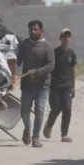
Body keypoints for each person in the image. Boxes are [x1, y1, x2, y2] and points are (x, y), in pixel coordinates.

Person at [17, 20, 55, 148]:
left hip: (42, 86)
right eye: (30, 29)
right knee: (24, 111)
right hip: (27, 85)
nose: (32, 32)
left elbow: (51, 65)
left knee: (39, 110)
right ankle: (27, 128)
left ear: (41, 31)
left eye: (35, 29)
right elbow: (18, 61)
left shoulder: (47, 47)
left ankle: (35, 138)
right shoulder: (25, 44)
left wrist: (37, 72)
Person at [43, 28, 76, 143]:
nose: (66, 39)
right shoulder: (54, 53)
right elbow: (49, 69)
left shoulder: (72, 54)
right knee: (56, 108)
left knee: (67, 109)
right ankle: (49, 125)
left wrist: (73, 86)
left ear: (70, 39)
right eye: (64, 36)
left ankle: (64, 134)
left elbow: (73, 70)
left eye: (68, 37)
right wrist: (48, 85)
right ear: (60, 38)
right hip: (55, 85)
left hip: (67, 85)